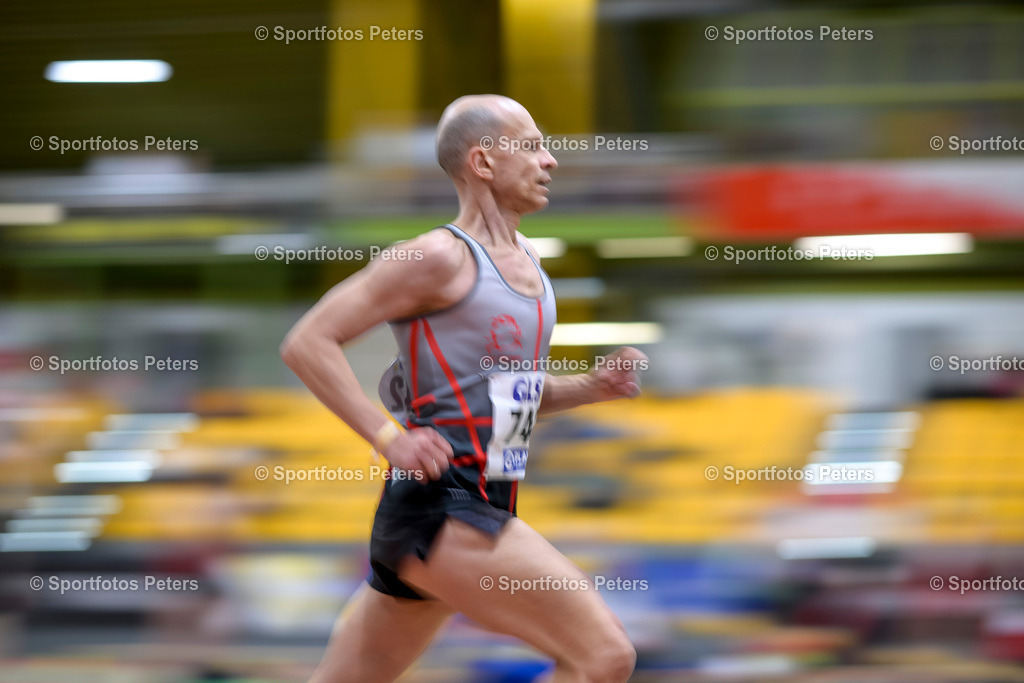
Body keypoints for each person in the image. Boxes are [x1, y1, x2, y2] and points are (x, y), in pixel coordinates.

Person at [281, 94, 647, 683]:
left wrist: (589, 387)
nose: (550, 160)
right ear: (482, 162)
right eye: (532, 145)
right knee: (605, 657)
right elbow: (307, 342)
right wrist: (388, 437)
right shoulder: (434, 257)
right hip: (443, 508)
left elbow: (510, 396)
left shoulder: (531, 264)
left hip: (477, 506)